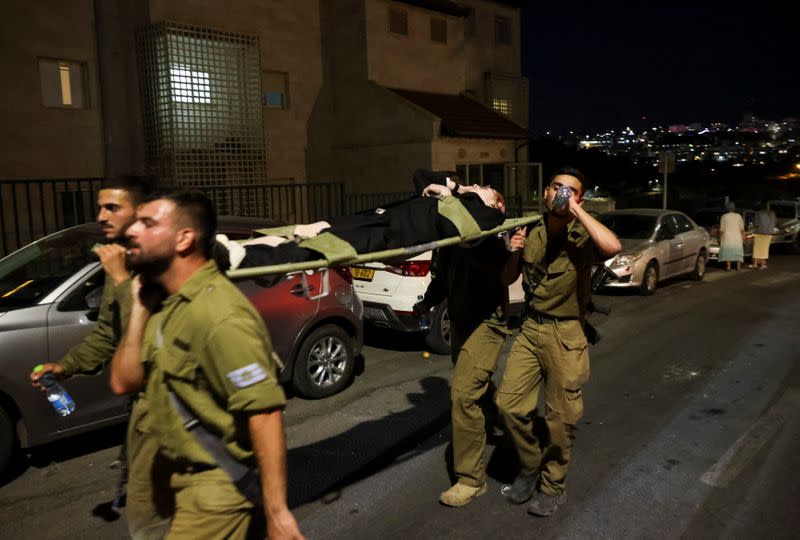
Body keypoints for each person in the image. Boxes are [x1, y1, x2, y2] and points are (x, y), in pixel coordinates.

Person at [109, 191, 303, 540]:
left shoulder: (220, 315)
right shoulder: (166, 303)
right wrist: (138, 312)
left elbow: (265, 415)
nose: (131, 231)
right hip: (174, 475)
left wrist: (278, 512)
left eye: (148, 223)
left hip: (215, 488)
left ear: (184, 238)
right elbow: (125, 382)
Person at [27, 177, 158, 529]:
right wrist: (66, 366)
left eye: (112, 208)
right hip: (143, 411)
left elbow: (145, 337)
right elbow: (107, 333)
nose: (101, 216)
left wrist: (117, 278)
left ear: (141, 212)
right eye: (99, 207)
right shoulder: (122, 265)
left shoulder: (160, 264)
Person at [495, 167, 621, 517]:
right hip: (531, 330)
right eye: (556, 187)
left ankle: (552, 487)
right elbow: (508, 278)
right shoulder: (530, 229)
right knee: (508, 406)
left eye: (570, 190)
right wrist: (513, 252)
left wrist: (577, 211)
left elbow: (613, 246)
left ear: (580, 198)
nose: (561, 194)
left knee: (559, 419)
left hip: (566, 334)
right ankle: (531, 463)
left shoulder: (583, 234)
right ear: (545, 193)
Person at [408, 170, 525, 507]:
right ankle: (515, 429)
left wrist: (512, 249)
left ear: (496, 208)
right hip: (462, 323)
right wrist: (426, 303)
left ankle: (471, 480)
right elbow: (442, 277)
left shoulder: (489, 235)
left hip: (486, 325)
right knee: (481, 391)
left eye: (485, 194)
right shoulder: (453, 234)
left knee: (463, 398)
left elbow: (506, 273)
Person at [221, 169, 506, 270]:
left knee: (322, 248)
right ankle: (242, 247)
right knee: (311, 230)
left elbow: (462, 230)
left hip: (392, 235)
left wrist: (448, 197)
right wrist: (457, 188)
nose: (480, 185)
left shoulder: (489, 214)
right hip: (378, 218)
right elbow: (421, 175)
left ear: (496, 202)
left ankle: (246, 260)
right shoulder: (462, 196)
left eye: (487, 188)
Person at [718, 203, 744, 271]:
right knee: (738, 251)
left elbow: (721, 229)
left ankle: (728, 267)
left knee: (728, 251)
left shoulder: (724, 216)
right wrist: (743, 237)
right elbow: (742, 228)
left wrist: (720, 237)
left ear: (727, 209)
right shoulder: (738, 216)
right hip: (737, 236)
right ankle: (738, 266)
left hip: (727, 236)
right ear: (734, 208)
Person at [751, 201, 776, 269]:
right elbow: (774, 223)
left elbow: (756, 223)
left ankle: (755, 264)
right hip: (769, 233)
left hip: (759, 232)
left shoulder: (758, 213)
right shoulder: (772, 213)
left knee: (756, 248)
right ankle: (762, 265)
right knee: (764, 249)